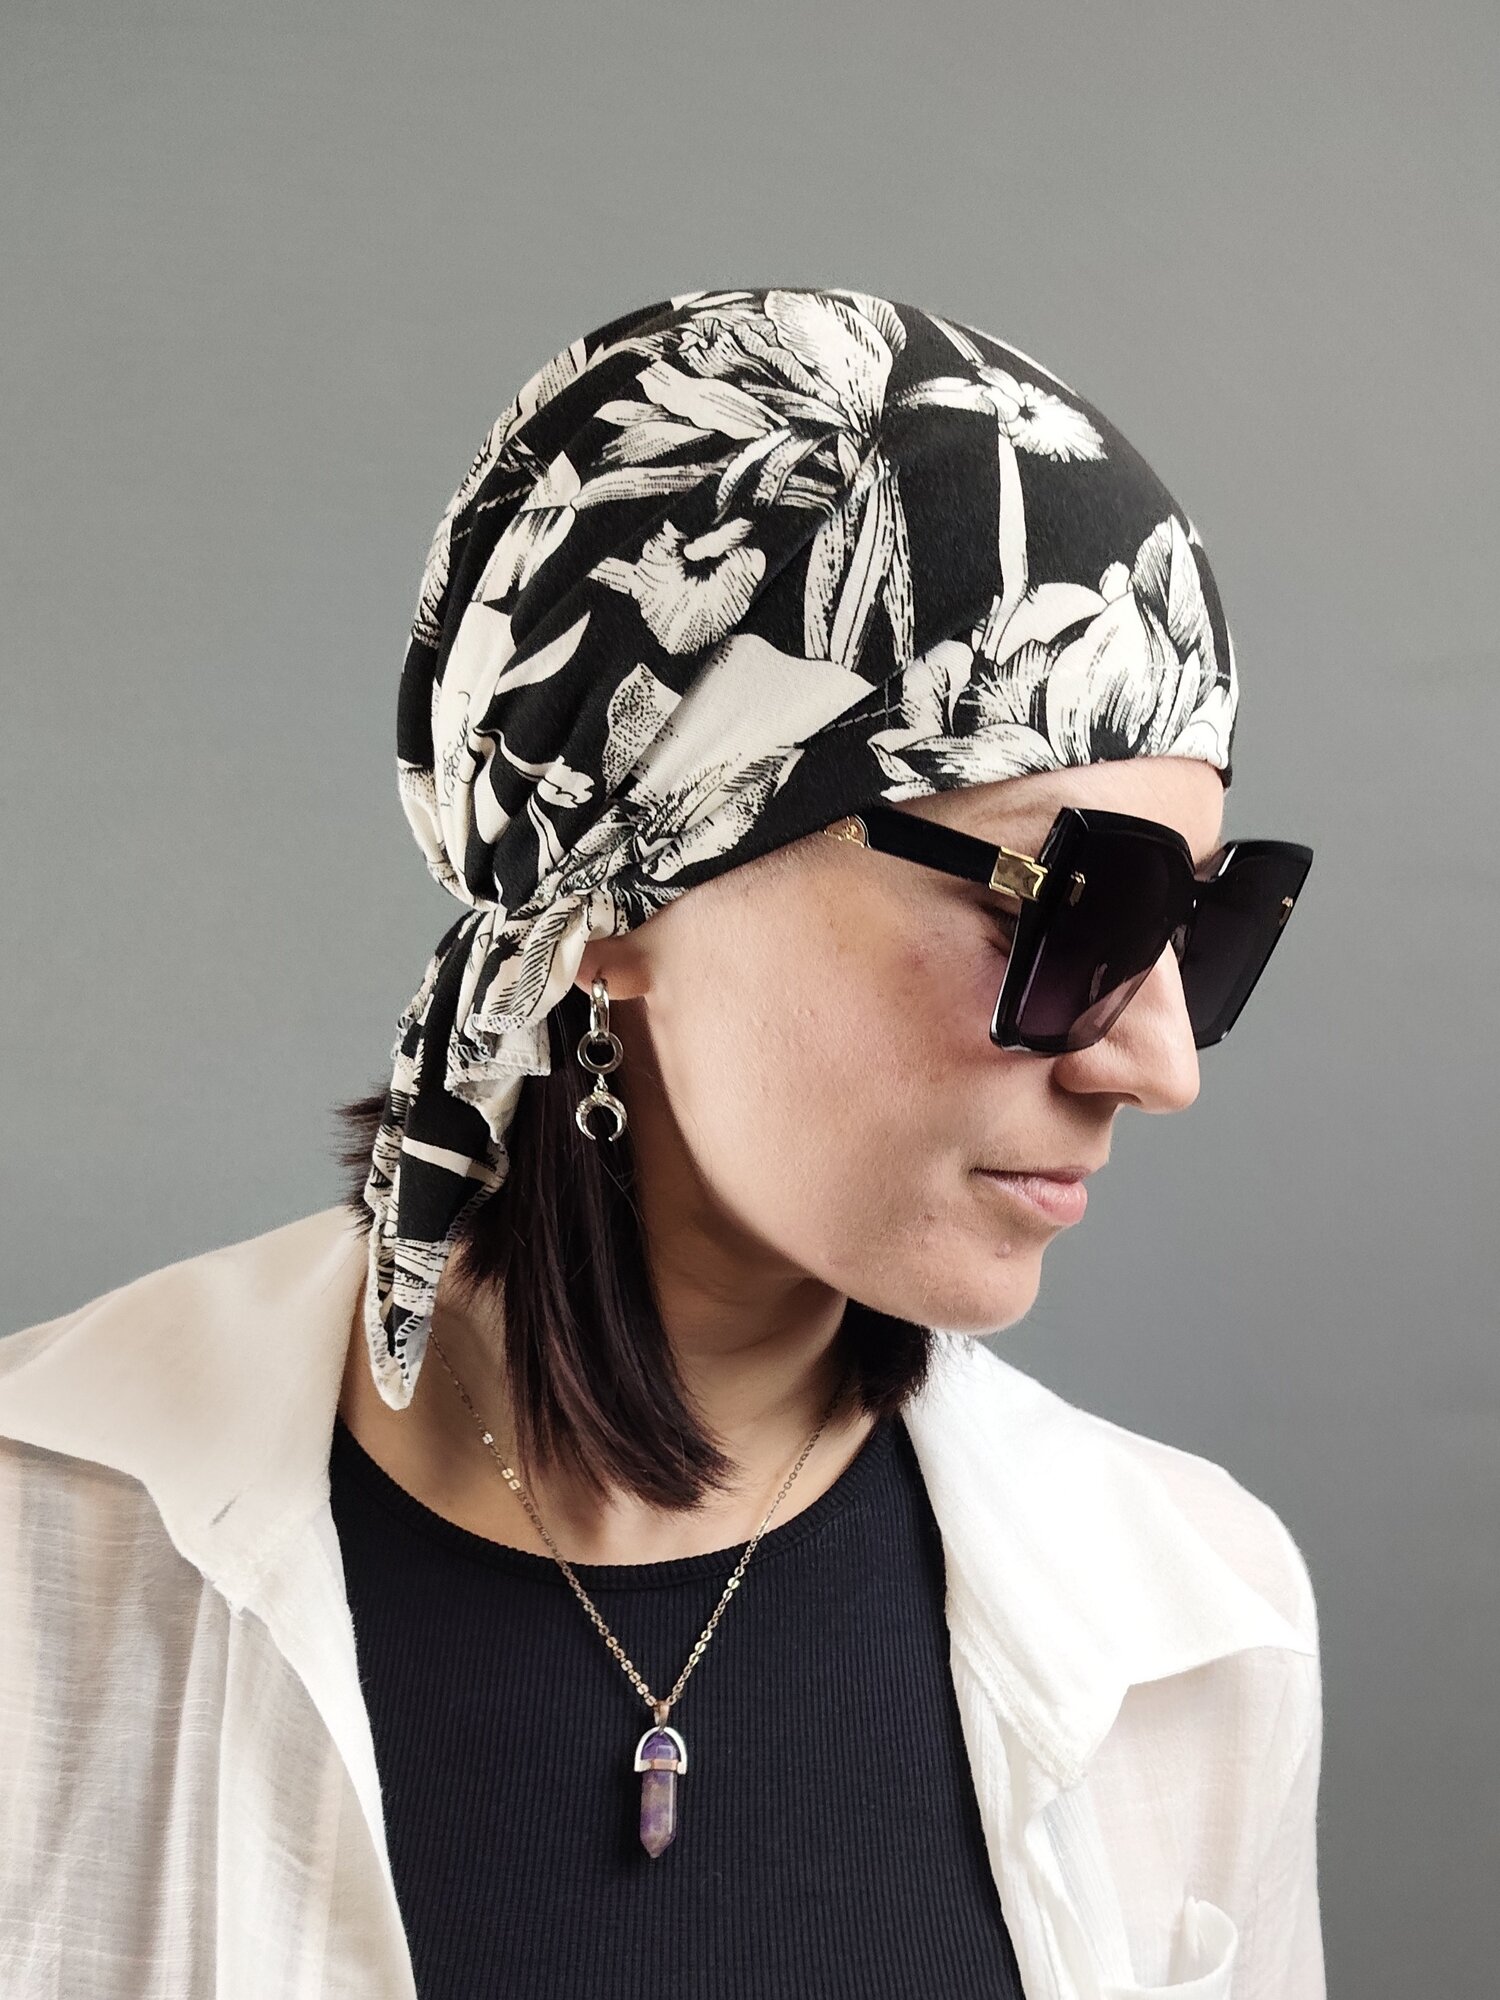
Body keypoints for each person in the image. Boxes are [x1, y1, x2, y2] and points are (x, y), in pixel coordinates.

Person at [0, 287, 1325, 1998]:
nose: (1160, 1062)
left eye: (1200, 923)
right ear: (620, 895)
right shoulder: (41, 1570)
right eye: (1070, 902)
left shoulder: (1199, 1628)